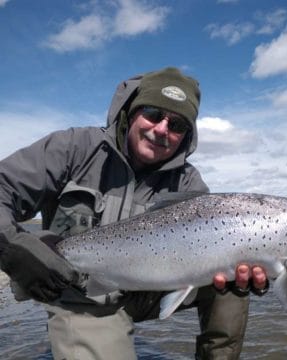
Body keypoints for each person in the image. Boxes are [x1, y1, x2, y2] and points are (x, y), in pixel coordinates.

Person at [0, 67, 268, 359]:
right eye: (153, 113)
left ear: (186, 136)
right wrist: (12, 247)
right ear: (131, 113)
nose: (162, 129)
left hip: (151, 289)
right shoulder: (74, 148)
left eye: (177, 125)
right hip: (84, 295)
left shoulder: (189, 183)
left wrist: (258, 267)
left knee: (231, 276)